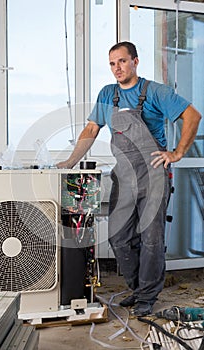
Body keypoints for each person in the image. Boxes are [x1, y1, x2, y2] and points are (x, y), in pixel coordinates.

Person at [57, 41, 201, 316]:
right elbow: (91, 129)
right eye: (112, 63)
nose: (117, 68)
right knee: (119, 238)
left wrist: (177, 152)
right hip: (123, 175)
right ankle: (139, 289)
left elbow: (192, 116)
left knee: (151, 238)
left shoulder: (155, 91)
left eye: (122, 61)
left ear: (135, 61)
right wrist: (69, 162)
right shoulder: (108, 94)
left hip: (153, 175)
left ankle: (147, 296)